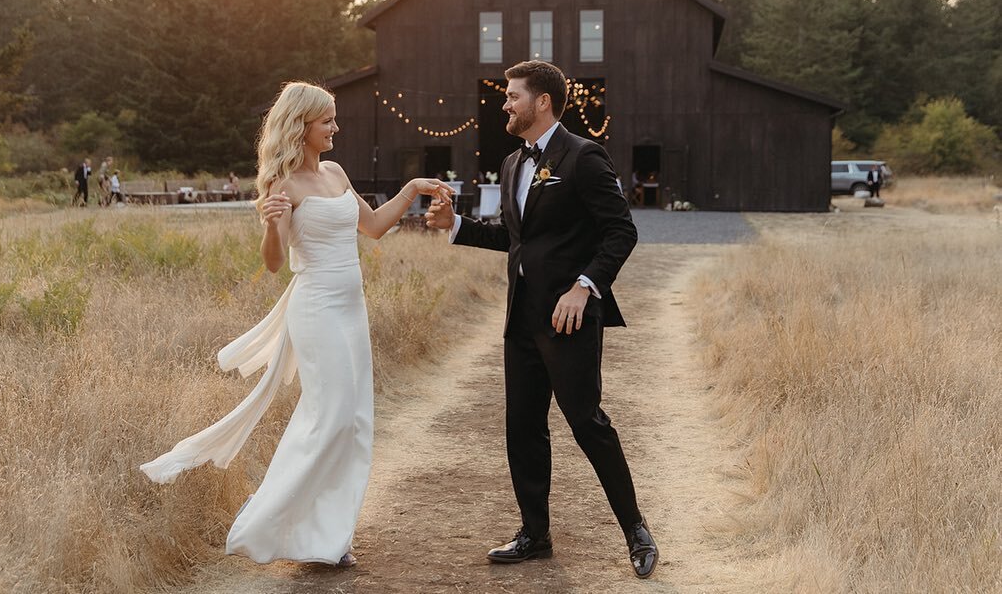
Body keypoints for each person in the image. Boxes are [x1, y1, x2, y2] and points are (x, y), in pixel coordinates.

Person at [140, 81, 452, 567]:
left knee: (353, 421)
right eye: (327, 120)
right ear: (301, 125)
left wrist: (411, 189)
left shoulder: (336, 172)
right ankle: (269, 524)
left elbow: (371, 228)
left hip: (352, 310)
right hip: (316, 309)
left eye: (333, 118)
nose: (335, 127)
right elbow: (273, 263)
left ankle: (329, 536)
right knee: (328, 418)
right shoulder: (282, 186)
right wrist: (270, 224)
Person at [426, 60, 658, 579]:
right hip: (522, 320)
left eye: (512, 96)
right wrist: (457, 223)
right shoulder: (511, 164)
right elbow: (518, 237)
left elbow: (621, 232)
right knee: (523, 428)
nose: (504, 104)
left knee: (587, 425)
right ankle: (535, 535)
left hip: (570, 319)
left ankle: (636, 530)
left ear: (543, 102)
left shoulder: (584, 157)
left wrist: (584, 287)